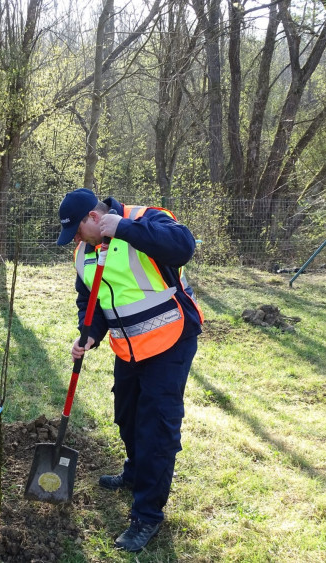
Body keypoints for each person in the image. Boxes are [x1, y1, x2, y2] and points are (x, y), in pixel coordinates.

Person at [56, 188, 204, 553]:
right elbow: (89, 301)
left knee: (156, 426)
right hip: (129, 347)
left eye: (76, 230)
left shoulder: (144, 219)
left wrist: (122, 227)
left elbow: (182, 246)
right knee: (126, 415)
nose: (75, 240)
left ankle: (147, 515)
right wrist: (89, 334)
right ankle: (136, 472)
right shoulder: (84, 254)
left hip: (170, 339)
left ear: (94, 218)